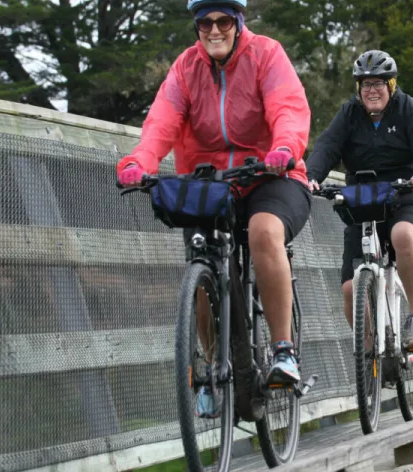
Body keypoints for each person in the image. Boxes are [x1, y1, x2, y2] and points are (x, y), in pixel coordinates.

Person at [115, 0, 312, 386]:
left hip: (269, 175)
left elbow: (287, 107)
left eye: (223, 20)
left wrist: (285, 148)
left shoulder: (266, 54)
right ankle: (209, 368)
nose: (214, 29)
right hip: (210, 183)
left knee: (264, 232)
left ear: (238, 22)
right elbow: (161, 123)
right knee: (201, 260)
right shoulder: (186, 68)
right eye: (205, 22)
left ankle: (284, 351)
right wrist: (140, 162)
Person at [306, 50, 413, 351]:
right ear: (358, 88)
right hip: (363, 201)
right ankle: (370, 361)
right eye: (365, 84)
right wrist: (312, 174)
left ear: (391, 85)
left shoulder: (408, 109)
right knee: (348, 289)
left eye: (379, 83)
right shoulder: (349, 114)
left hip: (407, 196)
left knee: (403, 235)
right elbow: (327, 145)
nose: (372, 90)